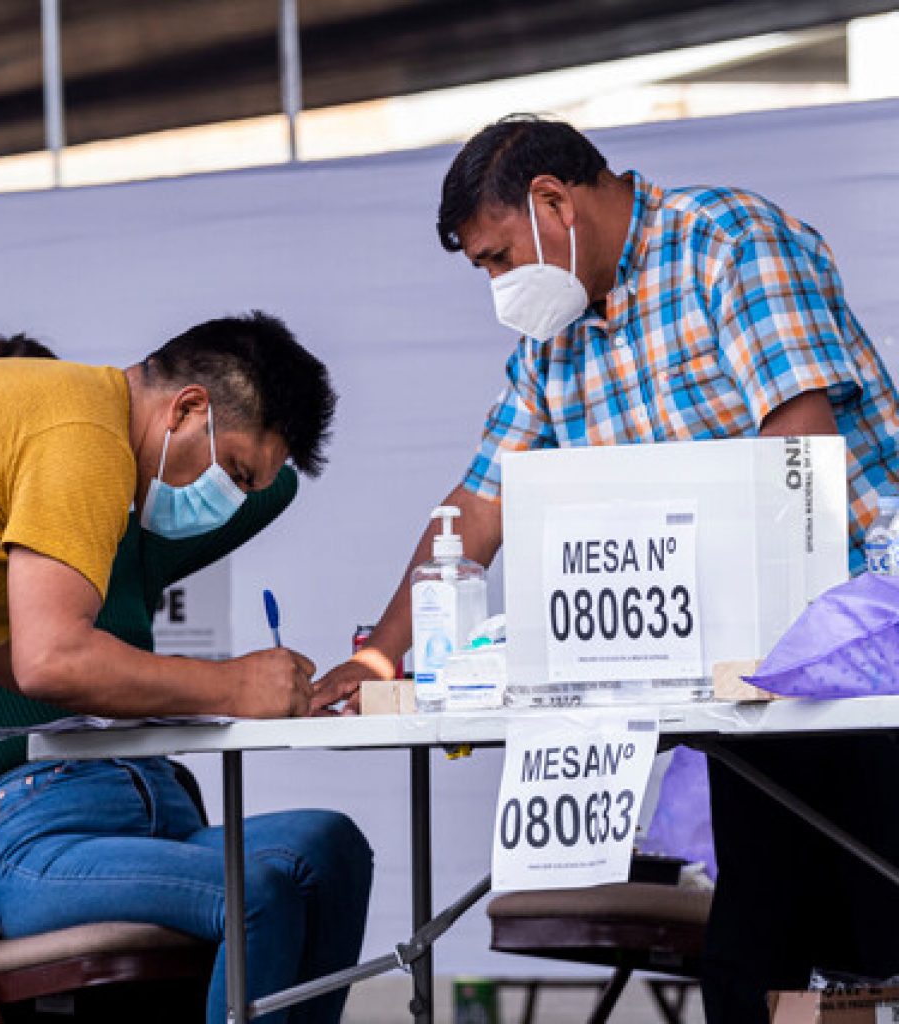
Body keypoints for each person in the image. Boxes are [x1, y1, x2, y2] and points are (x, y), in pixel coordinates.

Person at [311, 115, 899, 1022]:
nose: (500, 286)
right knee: (757, 962)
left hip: (859, 658)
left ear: (554, 202)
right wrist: (382, 660)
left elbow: (799, 448)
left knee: (878, 932)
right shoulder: (554, 342)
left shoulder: (727, 245)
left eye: (499, 257)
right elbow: (478, 508)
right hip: (744, 691)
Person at [0, 313, 335, 1022]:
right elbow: (51, 659)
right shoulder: (86, 440)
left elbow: (10, 652)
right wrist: (232, 686)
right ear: (186, 408)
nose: (229, 499)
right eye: (234, 472)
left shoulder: (60, 426)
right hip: (42, 816)